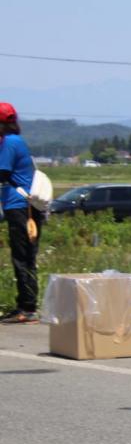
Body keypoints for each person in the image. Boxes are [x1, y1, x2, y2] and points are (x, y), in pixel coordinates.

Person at [0, 103, 44, 324]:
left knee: (22, 257)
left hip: (20, 207)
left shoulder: (9, 142)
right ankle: (24, 304)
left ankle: (27, 308)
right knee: (26, 256)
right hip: (22, 207)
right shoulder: (14, 141)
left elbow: (2, 173)